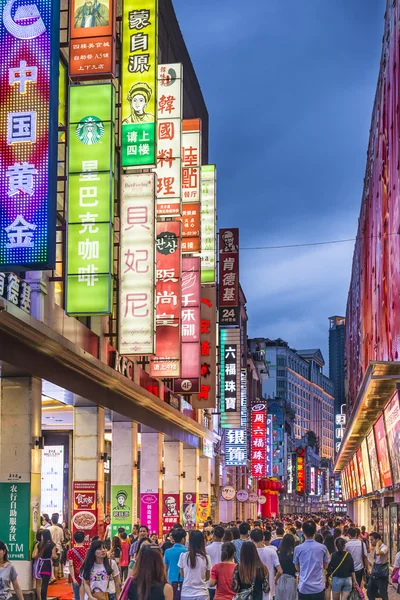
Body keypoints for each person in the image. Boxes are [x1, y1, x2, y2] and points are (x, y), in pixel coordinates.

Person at [293, 520, 329, 600]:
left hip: (303, 587)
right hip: (318, 587)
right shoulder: (323, 548)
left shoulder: (298, 549)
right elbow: (325, 566)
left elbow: (297, 568)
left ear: (303, 532)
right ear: (315, 532)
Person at [178, 530, 211, 600]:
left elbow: (182, 574)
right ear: (202, 542)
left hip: (186, 593)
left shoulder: (183, 556)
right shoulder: (206, 558)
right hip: (202, 594)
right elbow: (207, 577)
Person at [251, 528, 281, 599]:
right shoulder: (272, 551)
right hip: (269, 586)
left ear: (251, 540)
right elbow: (280, 571)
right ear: (263, 537)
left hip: (254, 588)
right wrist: (274, 579)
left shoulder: (251, 553)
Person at [367, 532, 389, 600]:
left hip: (381, 575)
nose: (370, 542)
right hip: (374, 574)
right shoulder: (375, 548)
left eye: (372, 540)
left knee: (383, 594)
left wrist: (377, 544)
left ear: (377, 539)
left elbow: (378, 553)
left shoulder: (384, 547)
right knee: (370, 592)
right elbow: (375, 561)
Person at [37, 529, 58, 600]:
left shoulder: (39, 544)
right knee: (45, 584)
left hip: (40, 564)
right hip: (47, 564)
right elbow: (54, 556)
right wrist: (57, 556)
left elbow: (36, 555)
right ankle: (43, 598)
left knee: (42, 583)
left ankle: (42, 598)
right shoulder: (52, 544)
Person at [275, 533, 297, 600]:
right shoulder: (294, 553)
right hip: (291, 580)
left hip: (279, 579)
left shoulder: (278, 552)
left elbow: (275, 568)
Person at [67, 530, 87, 600]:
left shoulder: (70, 551)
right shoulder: (87, 550)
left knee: (76, 596)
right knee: (86, 595)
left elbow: (71, 565)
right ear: (84, 539)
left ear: (74, 539)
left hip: (75, 575)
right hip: (85, 576)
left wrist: (73, 578)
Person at [207, 526, 224, 600]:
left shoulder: (207, 549)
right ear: (223, 536)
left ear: (213, 535)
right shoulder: (226, 548)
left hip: (210, 580)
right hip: (223, 580)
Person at [49, 514, 64, 580]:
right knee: (56, 563)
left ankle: (52, 577)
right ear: (57, 521)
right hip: (58, 548)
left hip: (50, 548)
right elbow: (62, 540)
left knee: (50, 563)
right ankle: (55, 576)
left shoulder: (48, 529)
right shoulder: (60, 529)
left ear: (51, 521)